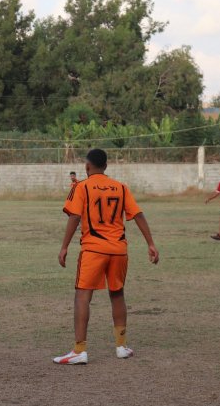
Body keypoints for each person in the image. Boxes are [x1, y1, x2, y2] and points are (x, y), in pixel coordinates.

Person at [55, 148, 159, 365]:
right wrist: (150, 243)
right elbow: (138, 214)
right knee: (117, 293)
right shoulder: (121, 187)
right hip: (119, 250)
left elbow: (74, 216)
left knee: (82, 296)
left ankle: (79, 350)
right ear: (106, 166)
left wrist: (64, 247)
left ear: (87, 166)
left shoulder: (81, 186)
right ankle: (121, 346)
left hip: (93, 249)